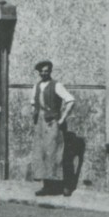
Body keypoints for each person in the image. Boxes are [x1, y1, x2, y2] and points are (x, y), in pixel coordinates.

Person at [31, 60, 75, 196]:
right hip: (40, 123)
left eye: (46, 71)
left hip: (53, 123)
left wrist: (62, 119)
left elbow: (71, 100)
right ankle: (47, 186)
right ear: (38, 72)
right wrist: (34, 113)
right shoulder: (36, 86)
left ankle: (66, 186)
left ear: (50, 71)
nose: (44, 73)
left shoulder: (57, 85)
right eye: (41, 71)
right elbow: (33, 103)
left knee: (57, 154)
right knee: (42, 154)